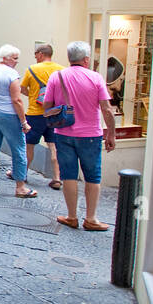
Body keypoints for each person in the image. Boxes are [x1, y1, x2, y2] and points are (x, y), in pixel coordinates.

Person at [42, 41, 117, 230]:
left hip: (63, 132)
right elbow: (106, 109)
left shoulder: (56, 77)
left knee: (69, 175)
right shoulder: (96, 78)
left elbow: (47, 105)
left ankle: (72, 216)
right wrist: (111, 134)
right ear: (86, 59)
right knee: (93, 176)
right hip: (91, 134)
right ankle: (91, 218)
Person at [0, 44, 36, 198]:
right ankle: (20, 187)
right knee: (18, 149)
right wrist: (24, 121)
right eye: (14, 58)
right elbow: (16, 100)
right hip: (7, 114)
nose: (16, 61)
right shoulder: (12, 74)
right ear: (5, 58)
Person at [17, 42, 64, 190]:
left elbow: (22, 88)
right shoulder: (62, 70)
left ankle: (23, 173)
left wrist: (33, 95)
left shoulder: (32, 69)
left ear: (42, 54)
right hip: (55, 113)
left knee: (29, 145)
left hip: (35, 113)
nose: (35, 57)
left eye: (36, 54)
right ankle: (56, 177)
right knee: (54, 146)